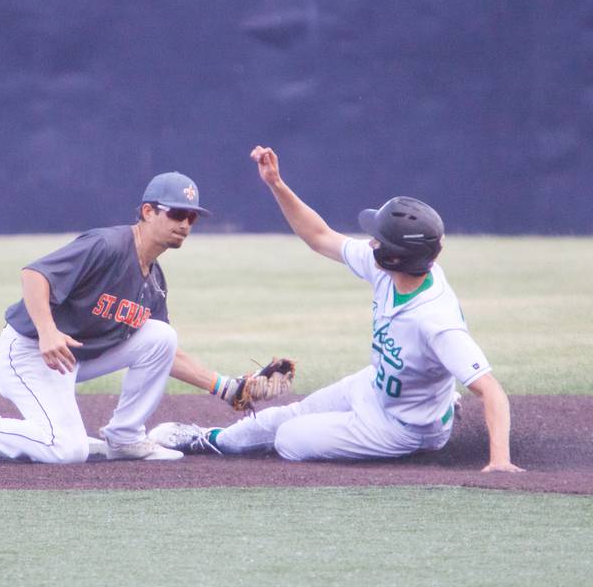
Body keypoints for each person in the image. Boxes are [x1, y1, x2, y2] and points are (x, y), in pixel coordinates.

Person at [149, 146, 524, 473]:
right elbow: (320, 236)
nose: (370, 240)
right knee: (290, 415)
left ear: (393, 255)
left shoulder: (435, 321)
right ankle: (213, 439)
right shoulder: (391, 270)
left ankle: (426, 433)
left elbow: (490, 389)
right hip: (376, 386)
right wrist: (277, 185)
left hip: (404, 427)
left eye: (378, 237)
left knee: (290, 440)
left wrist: (500, 460)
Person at [0, 171, 249, 464]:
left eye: (192, 217)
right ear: (148, 212)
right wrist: (48, 331)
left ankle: (125, 438)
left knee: (162, 336)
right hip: (27, 351)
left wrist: (225, 387)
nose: (185, 224)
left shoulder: (155, 282)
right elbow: (34, 275)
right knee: (67, 450)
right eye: (177, 213)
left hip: (69, 360)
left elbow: (165, 354)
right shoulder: (107, 245)